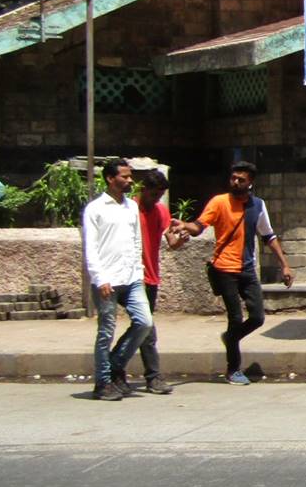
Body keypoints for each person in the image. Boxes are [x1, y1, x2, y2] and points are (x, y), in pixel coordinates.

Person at [176, 161, 293, 385]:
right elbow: (199, 226)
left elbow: (268, 235)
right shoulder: (219, 202)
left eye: (241, 179)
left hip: (247, 269)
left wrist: (284, 265)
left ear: (250, 183)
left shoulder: (258, 206)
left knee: (258, 317)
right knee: (235, 317)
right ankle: (233, 369)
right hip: (224, 268)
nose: (236, 182)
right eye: (233, 178)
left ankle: (230, 338)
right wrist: (184, 226)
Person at [83, 158, 154, 401]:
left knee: (144, 322)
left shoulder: (131, 207)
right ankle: (102, 383)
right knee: (106, 331)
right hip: (107, 280)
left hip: (132, 276)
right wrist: (99, 278)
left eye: (130, 176)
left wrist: (138, 269)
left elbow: (136, 241)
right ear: (110, 179)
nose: (130, 180)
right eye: (124, 176)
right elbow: (90, 248)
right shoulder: (95, 209)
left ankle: (115, 364)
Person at [124, 169, 187, 394]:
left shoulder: (160, 211)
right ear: (143, 190)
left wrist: (181, 239)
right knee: (146, 327)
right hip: (131, 277)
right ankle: (153, 376)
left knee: (141, 326)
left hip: (150, 277)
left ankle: (117, 369)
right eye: (153, 195)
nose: (156, 200)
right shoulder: (129, 209)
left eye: (159, 196)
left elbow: (170, 241)